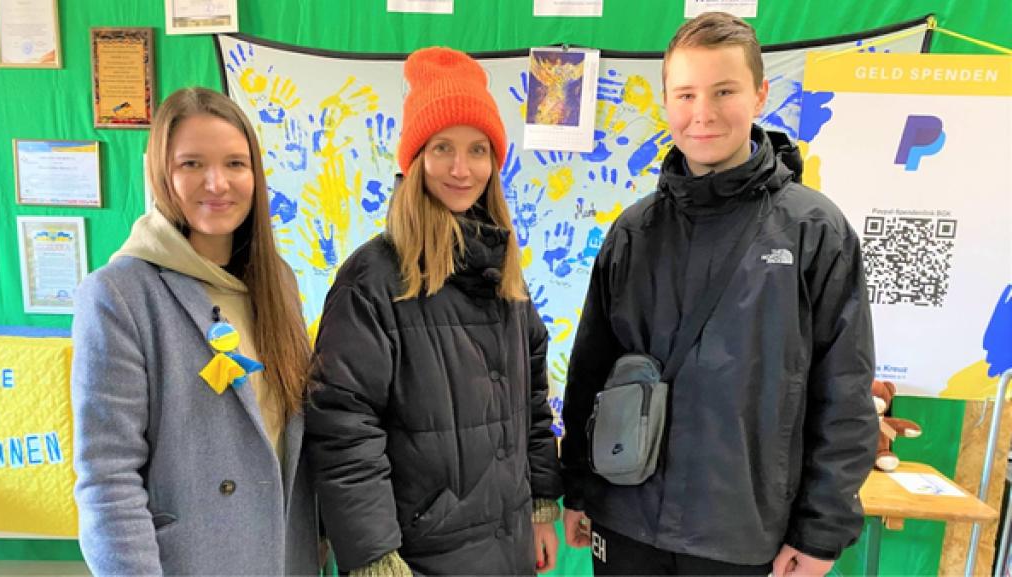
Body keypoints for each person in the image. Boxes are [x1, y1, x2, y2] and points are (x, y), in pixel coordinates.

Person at [559, 12, 877, 577]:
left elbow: (844, 393)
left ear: (759, 95)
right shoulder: (634, 232)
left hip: (745, 536)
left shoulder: (813, 232)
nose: (702, 113)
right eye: (685, 94)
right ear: (666, 103)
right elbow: (592, 370)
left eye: (723, 90)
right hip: (627, 518)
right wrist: (581, 489)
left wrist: (821, 533)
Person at [305, 47, 563, 576]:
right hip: (420, 558)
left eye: (477, 150)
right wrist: (373, 553)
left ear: (495, 162)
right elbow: (343, 425)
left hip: (507, 548)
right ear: (415, 159)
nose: (460, 169)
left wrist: (541, 504)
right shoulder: (374, 279)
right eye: (442, 147)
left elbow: (532, 398)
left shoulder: (504, 271)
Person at [72, 87, 318, 576]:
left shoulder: (277, 282)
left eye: (234, 163)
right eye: (191, 164)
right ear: (162, 174)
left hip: (284, 559)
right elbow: (108, 478)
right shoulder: (120, 294)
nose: (217, 183)